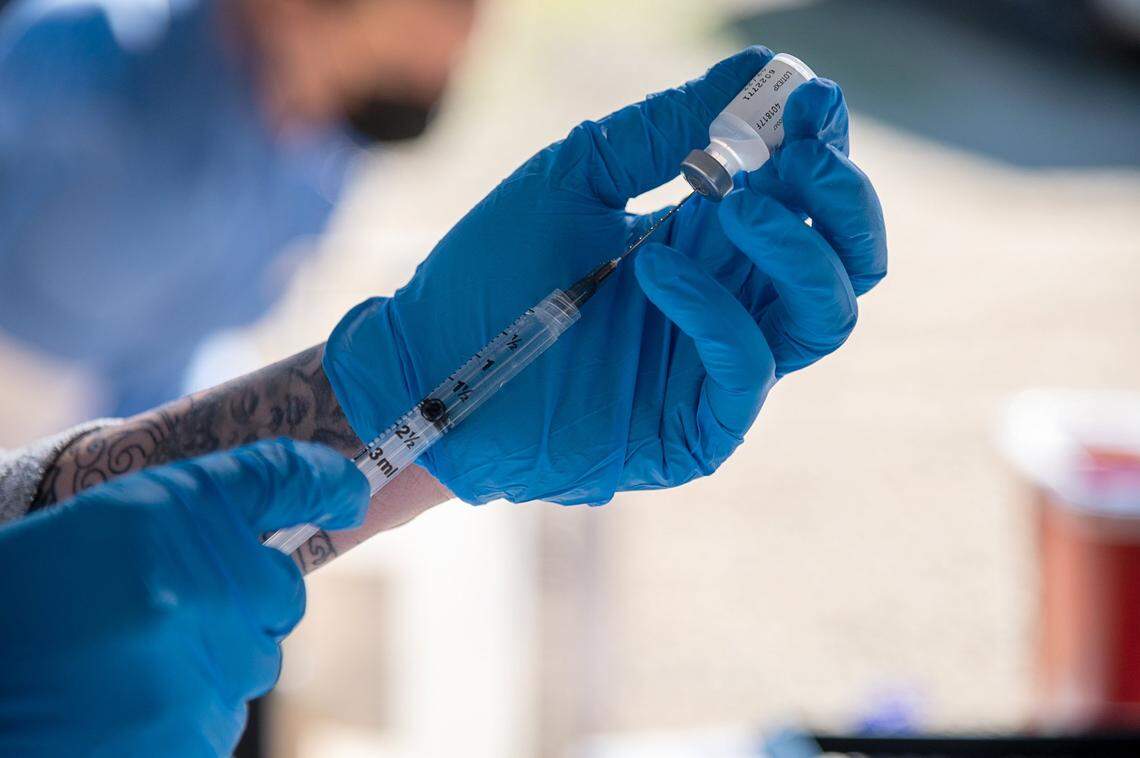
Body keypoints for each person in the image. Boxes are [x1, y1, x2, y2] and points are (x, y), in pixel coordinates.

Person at [0, 47, 887, 754]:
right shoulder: (92, 130)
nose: (468, 30)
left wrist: (403, 387)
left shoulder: (307, 142)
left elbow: (72, 543)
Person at [0, 0, 475, 415]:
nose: (434, 74)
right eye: (396, 64)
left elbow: (178, 353)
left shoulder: (325, 146)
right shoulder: (86, 56)